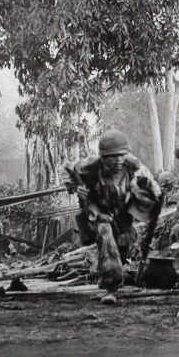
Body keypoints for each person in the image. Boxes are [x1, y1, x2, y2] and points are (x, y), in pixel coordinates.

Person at [64, 129, 161, 305]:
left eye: (121, 155)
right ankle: (111, 287)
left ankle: (107, 273)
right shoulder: (90, 165)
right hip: (97, 213)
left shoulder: (135, 167)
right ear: (103, 157)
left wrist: (147, 192)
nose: (118, 160)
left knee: (123, 245)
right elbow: (69, 170)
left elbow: (156, 192)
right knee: (105, 233)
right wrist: (76, 189)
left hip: (123, 215)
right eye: (112, 156)